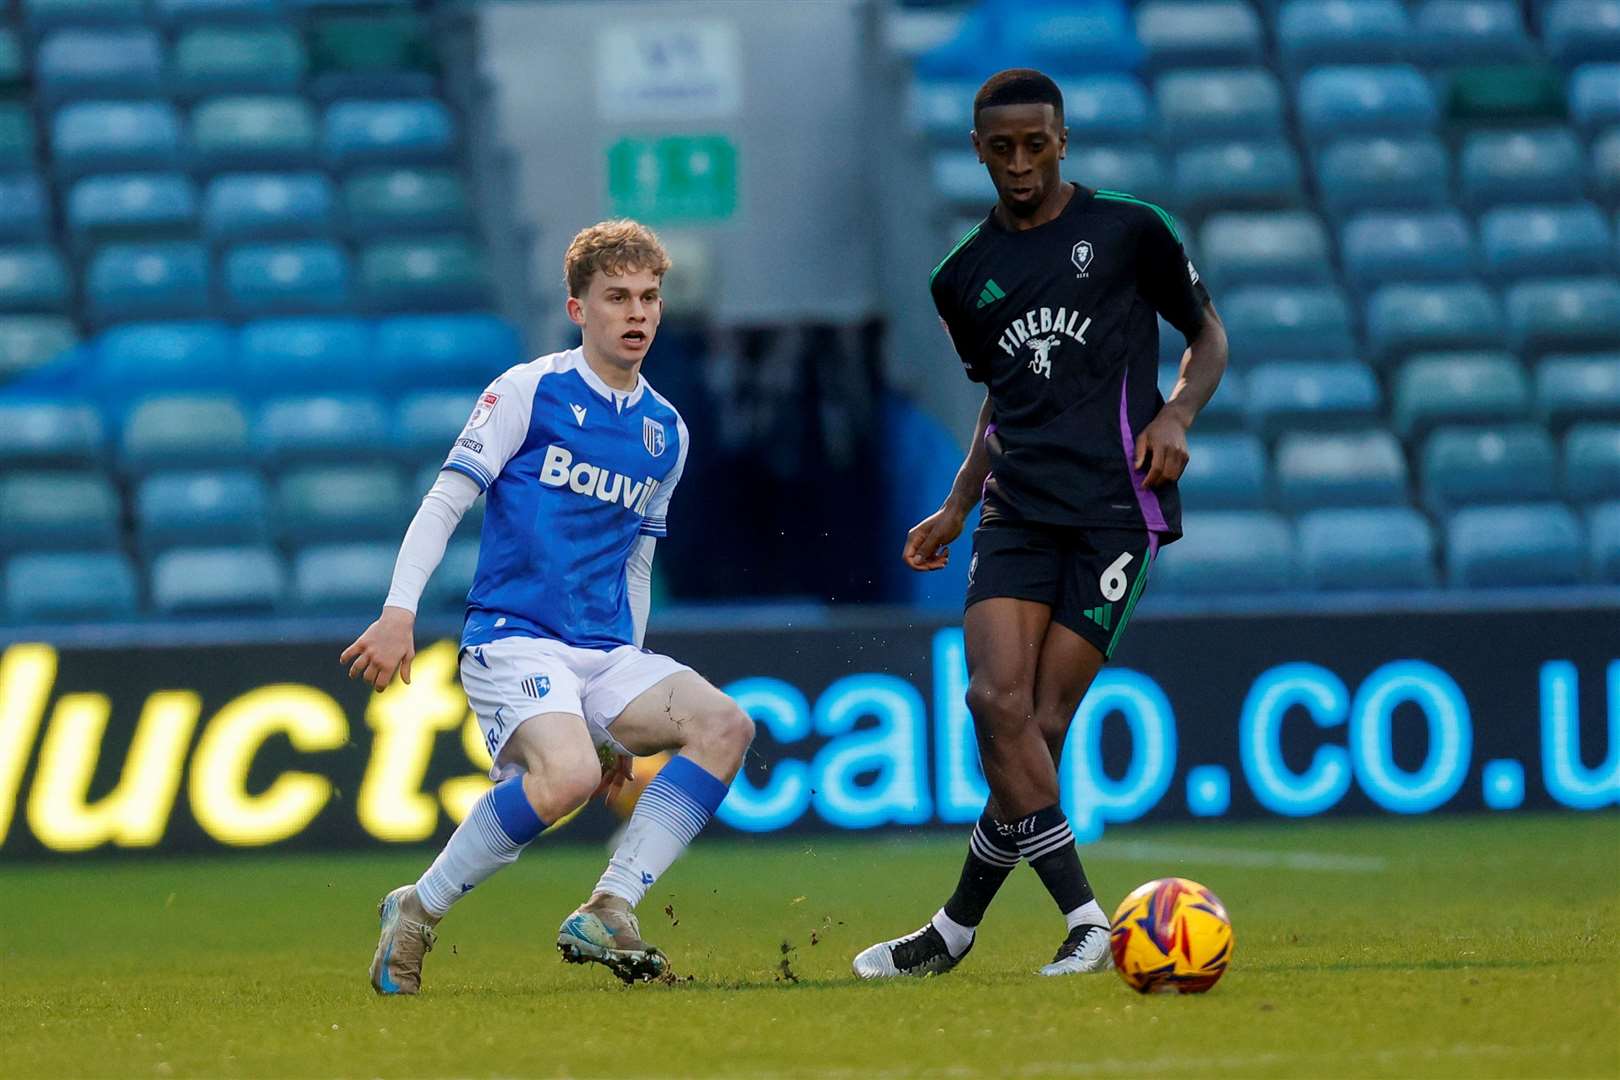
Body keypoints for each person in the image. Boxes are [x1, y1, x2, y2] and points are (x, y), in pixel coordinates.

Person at [853, 69, 1227, 979]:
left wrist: (1176, 416)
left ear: (1062, 141)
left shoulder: (1131, 230)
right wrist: (954, 504)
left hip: (1114, 511)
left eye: (1036, 144)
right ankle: (1090, 922)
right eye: (1002, 148)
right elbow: (1003, 403)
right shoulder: (961, 278)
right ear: (978, 149)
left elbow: (1208, 337)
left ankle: (950, 932)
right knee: (995, 705)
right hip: (1015, 508)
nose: (1020, 163)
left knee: (1039, 731)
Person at [349, 219, 754, 994]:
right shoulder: (527, 390)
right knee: (567, 777)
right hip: (514, 636)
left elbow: (639, 560)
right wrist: (399, 612)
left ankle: (612, 903)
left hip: (604, 650)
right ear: (579, 308)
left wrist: (625, 684)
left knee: (725, 725)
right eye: (617, 298)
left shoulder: (666, 431)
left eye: (649, 297)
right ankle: (418, 909)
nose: (636, 313)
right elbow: (445, 502)